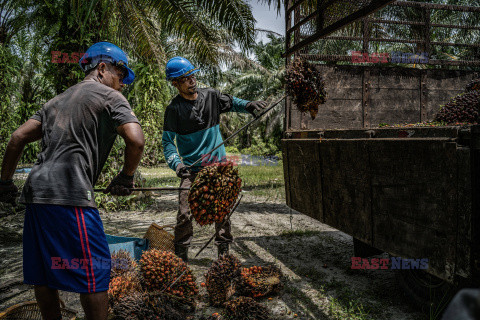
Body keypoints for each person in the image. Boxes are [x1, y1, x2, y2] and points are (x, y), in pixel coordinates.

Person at [0, 42, 144, 320]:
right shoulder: (109, 96)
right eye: (121, 74)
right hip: (70, 196)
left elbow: (17, 138)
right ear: (102, 68)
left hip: (36, 195)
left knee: (44, 271)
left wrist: (5, 182)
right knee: (96, 270)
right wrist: (126, 177)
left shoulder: (55, 101)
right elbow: (136, 141)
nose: (122, 83)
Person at [161, 56, 267, 262]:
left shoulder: (211, 96)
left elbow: (232, 102)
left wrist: (248, 105)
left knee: (222, 211)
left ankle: (224, 253)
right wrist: (177, 164)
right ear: (175, 83)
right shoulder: (174, 109)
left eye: (192, 75)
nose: (191, 80)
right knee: (184, 213)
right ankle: (181, 255)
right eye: (185, 78)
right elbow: (167, 142)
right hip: (192, 170)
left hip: (218, 168)